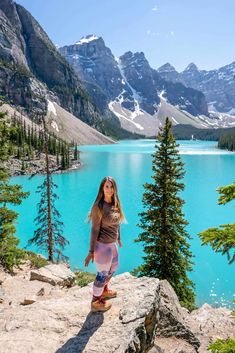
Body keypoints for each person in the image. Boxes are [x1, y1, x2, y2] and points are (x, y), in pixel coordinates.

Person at [85, 176, 125, 312]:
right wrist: (91, 252)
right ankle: (95, 301)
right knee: (102, 274)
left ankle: (104, 289)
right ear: (102, 188)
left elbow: (117, 222)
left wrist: (118, 238)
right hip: (102, 246)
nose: (109, 189)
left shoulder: (116, 203)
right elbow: (94, 229)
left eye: (111, 186)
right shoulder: (99, 207)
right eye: (106, 186)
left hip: (112, 245)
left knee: (114, 267)